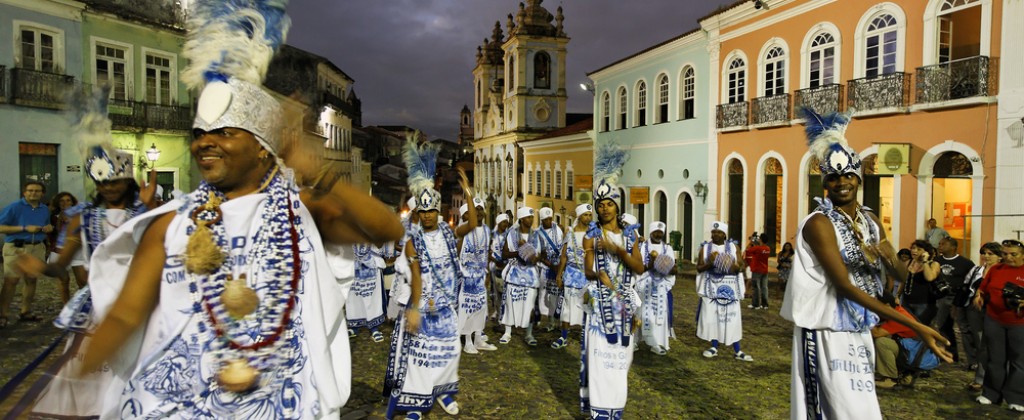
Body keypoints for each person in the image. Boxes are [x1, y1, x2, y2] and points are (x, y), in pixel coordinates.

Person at [75, 2, 405, 416]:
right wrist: (76, 379)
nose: (203, 143)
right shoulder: (170, 225)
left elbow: (388, 229)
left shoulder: (302, 214)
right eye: (199, 134)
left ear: (263, 147)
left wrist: (317, 172)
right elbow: (125, 316)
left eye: (224, 132)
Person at [781, 107, 951, 419]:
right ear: (825, 184)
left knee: (862, 408)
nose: (841, 182)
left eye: (848, 175)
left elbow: (900, 277)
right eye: (833, 177)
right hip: (824, 328)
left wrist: (888, 253)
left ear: (859, 178)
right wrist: (915, 326)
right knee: (828, 408)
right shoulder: (818, 223)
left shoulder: (870, 220)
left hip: (859, 327)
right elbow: (844, 287)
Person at [384, 139, 476, 420]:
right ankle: (416, 403)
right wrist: (413, 309)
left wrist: (468, 193)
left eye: (431, 211)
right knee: (420, 357)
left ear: (439, 211)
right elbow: (416, 278)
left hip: (447, 307)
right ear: (419, 213)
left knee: (448, 354)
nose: (426, 216)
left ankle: (443, 391)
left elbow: (472, 224)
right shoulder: (413, 243)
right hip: (424, 306)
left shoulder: (449, 234)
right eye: (422, 212)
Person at [579, 142, 645, 419]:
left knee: (621, 361)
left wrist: (617, 250)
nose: (605, 209)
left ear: (618, 207)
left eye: (609, 204)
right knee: (599, 359)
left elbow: (639, 268)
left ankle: (615, 409)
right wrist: (600, 276)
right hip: (600, 306)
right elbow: (587, 271)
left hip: (624, 307)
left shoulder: (630, 236)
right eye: (600, 205)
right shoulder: (591, 236)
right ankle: (599, 412)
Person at [972, 239, 1024, 412]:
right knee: (994, 359)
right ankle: (991, 394)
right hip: (994, 320)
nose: (1008, 257)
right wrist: (979, 297)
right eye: (1005, 254)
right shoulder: (996, 269)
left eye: (1013, 254)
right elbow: (983, 289)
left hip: (1019, 323)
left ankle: (1016, 398)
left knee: (1019, 361)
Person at [696, 221, 752, 361]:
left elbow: (740, 266)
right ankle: (713, 347)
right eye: (713, 232)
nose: (715, 234)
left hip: (729, 288)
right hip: (712, 288)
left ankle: (737, 350)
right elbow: (699, 268)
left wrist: (729, 264)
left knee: (731, 318)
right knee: (713, 318)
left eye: (719, 232)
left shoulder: (733, 247)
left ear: (724, 234)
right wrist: (710, 262)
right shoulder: (706, 248)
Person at [0, 181, 53, 327]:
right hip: (16, 247)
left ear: (42, 193)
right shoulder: (14, 207)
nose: (33, 193)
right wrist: (24, 228)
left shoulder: (44, 209)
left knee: (31, 280)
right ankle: (2, 314)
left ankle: (25, 312)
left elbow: (46, 225)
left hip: (36, 247)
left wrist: (48, 228)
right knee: (11, 281)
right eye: (30, 190)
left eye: (37, 191)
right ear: (24, 192)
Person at [960, 242, 1003, 392]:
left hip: (995, 312)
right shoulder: (978, 270)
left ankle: (996, 379)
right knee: (980, 344)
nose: (986, 256)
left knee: (994, 346)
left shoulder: (1002, 271)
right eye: (984, 253)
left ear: (999, 256)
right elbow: (967, 286)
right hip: (975, 310)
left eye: (990, 254)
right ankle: (980, 377)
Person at [457, 197, 497, 354]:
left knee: (481, 308)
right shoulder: (465, 230)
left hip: (480, 275)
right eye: (475, 209)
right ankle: (467, 342)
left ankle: (479, 339)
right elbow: (457, 254)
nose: (479, 212)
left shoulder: (487, 230)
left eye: (481, 209)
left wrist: (487, 272)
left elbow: (487, 252)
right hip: (466, 276)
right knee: (468, 308)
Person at [550, 203, 592, 349]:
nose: (588, 218)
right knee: (567, 307)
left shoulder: (594, 234)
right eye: (585, 215)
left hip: (587, 276)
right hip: (571, 275)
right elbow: (563, 256)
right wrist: (559, 274)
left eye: (590, 215)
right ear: (579, 216)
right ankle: (564, 336)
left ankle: (584, 336)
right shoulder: (570, 233)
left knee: (586, 307)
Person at [499, 206, 542, 346]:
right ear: (522, 219)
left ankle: (529, 334)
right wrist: (518, 253)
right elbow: (504, 253)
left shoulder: (536, 235)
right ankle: (507, 332)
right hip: (515, 274)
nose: (531, 220)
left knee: (529, 304)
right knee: (510, 304)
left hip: (530, 275)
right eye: (528, 217)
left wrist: (525, 248)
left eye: (532, 217)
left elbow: (536, 258)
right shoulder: (511, 234)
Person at [638, 221, 677, 355]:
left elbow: (673, 268)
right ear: (650, 232)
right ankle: (636, 341)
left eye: (660, 232)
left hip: (661, 285)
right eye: (656, 232)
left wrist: (664, 266)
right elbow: (639, 267)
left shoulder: (668, 249)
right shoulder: (642, 247)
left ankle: (657, 343)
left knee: (659, 314)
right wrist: (653, 264)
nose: (658, 234)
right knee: (641, 313)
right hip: (644, 284)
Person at [935, 236, 974, 362]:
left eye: (943, 244)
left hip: (957, 298)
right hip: (941, 297)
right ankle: (950, 352)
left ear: (953, 247)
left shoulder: (965, 263)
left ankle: (972, 358)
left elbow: (970, 281)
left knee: (963, 328)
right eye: (939, 244)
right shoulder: (937, 261)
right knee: (942, 326)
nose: (940, 246)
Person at [871, 293, 921, 389]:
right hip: (909, 349)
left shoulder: (898, 316)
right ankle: (903, 373)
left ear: (887, 306)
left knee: (882, 342)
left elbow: (876, 333)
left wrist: (867, 315)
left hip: (912, 354)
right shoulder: (897, 310)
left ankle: (890, 379)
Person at [47, 192, 86, 304]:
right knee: (63, 282)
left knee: (83, 281)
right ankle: (66, 306)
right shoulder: (53, 216)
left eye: (68, 200)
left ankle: (83, 305)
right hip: (59, 251)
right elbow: (50, 234)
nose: (65, 203)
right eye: (62, 201)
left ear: (73, 202)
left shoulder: (79, 214)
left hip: (77, 251)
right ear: (57, 203)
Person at [347, 242, 387, 342]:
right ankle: (354, 326)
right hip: (352, 261)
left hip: (372, 260)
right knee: (353, 295)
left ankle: (374, 328)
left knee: (372, 295)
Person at [900, 240, 941, 325]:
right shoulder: (909, 263)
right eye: (913, 248)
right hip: (907, 302)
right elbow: (904, 280)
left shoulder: (933, 264)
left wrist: (925, 261)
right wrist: (897, 295)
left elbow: (930, 277)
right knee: (907, 327)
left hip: (924, 303)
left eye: (918, 249)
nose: (914, 251)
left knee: (921, 328)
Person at [536, 206, 564, 332]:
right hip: (545, 268)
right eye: (545, 219)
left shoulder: (558, 229)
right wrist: (551, 265)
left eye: (550, 218)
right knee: (544, 295)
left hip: (558, 267)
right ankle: (548, 320)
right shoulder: (537, 233)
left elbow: (562, 247)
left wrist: (560, 266)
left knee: (557, 295)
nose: (548, 221)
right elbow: (539, 255)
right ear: (541, 220)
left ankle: (558, 321)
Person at [489, 213, 510, 322]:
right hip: (494, 266)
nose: (505, 224)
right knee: (495, 291)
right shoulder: (492, 235)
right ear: (498, 222)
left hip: (506, 267)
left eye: (507, 222)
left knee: (505, 291)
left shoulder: (510, 235)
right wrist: (494, 260)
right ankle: (497, 310)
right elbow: (488, 250)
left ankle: (505, 313)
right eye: (503, 222)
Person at [745, 232, 771, 310]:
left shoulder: (757, 248)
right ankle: (765, 304)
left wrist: (751, 242)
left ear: (761, 239)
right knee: (764, 287)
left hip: (756, 269)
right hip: (764, 270)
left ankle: (756, 304)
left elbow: (748, 250)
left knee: (756, 287)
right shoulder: (768, 248)